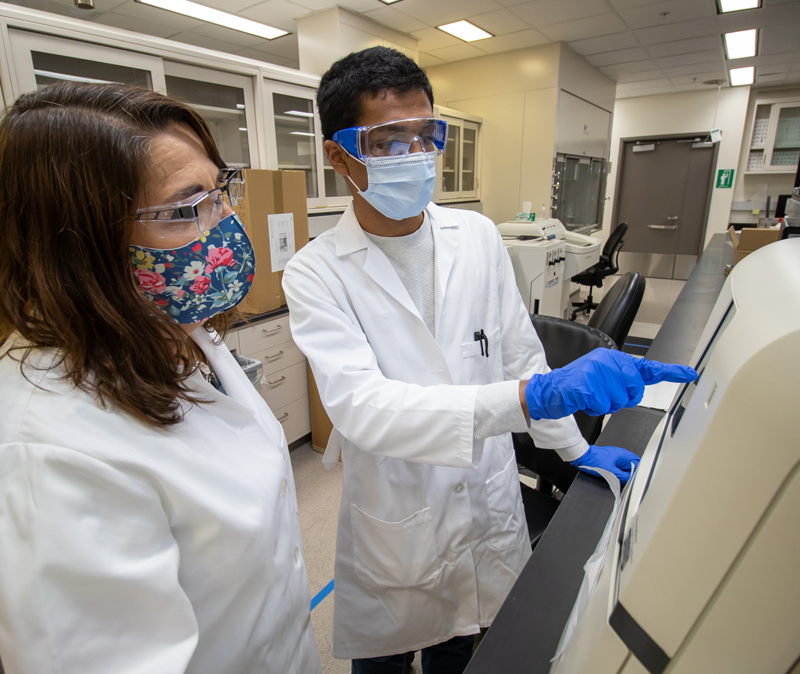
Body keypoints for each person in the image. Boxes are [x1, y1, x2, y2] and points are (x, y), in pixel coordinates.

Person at [281, 47, 696, 674]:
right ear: (339, 156)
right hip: (397, 513)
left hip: (483, 498)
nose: (417, 155)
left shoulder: (475, 237)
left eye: (427, 135)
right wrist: (529, 400)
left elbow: (518, 356)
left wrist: (573, 449)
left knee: (462, 649)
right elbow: (363, 408)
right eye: (391, 140)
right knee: (386, 662)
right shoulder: (315, 273)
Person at [0, 82, 321, 674]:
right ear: (79, 246)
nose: (222, 225)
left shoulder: (178, 329)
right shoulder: (49, 452)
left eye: (220, 191)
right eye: (182, 209)